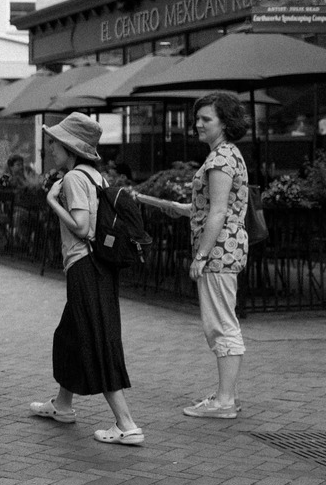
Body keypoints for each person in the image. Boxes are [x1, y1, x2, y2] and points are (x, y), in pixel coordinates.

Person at [28, 114, 143, 446]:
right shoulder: (95, 176)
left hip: (85, 266)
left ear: (69, 147)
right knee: (70, 336)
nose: (50, 147)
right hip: (98, 267)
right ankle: (62, 404)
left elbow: (81, 227)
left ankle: (126, 423)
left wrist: (52, 200)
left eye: (54, 142)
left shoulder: (75, 179)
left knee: (95, 339)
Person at [135, 92, 251, 420]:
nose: (198, 124)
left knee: (220, 325)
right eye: (197, 118)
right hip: (227, 250)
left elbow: (217, 212)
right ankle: (226, 395)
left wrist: (200, 256)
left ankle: (225, 401)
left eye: (206, 119)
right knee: (223, 321)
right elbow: (216, 209)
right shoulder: (230, 155)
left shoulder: (220, 160)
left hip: (218, 253)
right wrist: (176, 208)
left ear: (225, 123)